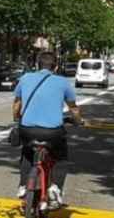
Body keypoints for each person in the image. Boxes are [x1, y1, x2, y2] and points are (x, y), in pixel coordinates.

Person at [13, 51, 86, 209]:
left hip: (28, 129)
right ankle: (55, 188)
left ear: (37, 65)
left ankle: (23, 186)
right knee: (61, 157)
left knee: (27, 152)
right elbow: (73, 108)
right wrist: (79, 122)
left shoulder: (25, 78)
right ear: (56, 66)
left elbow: (17, 104)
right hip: (52, 132)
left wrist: (17, 118)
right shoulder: (63, 82)